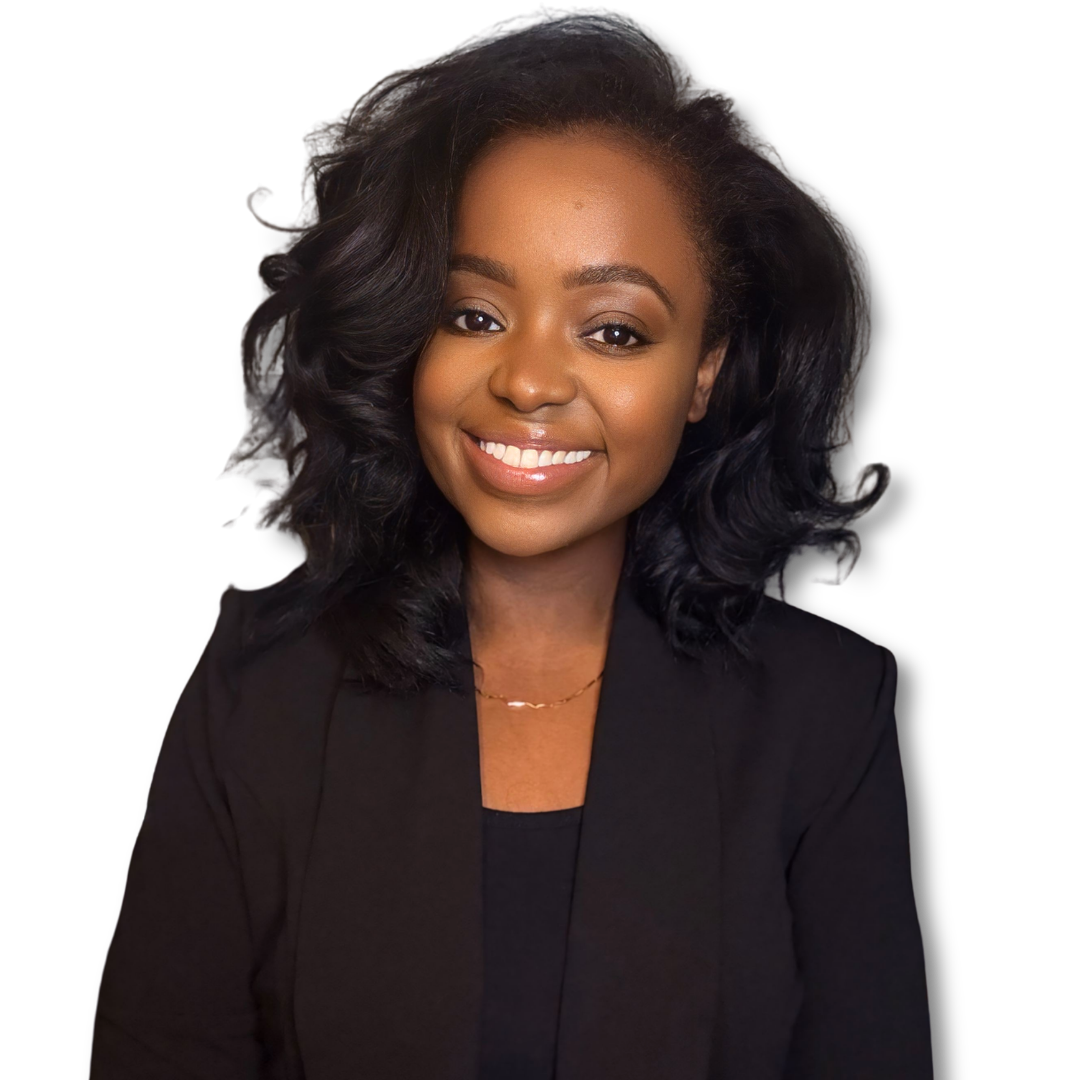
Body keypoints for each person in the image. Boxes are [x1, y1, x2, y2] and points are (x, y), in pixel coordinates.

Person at [89, 7, 932, 1078]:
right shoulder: (258, 693)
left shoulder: (825, 716)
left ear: (705, 370)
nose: (528, 381)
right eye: (474, 315)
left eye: (614, 329)